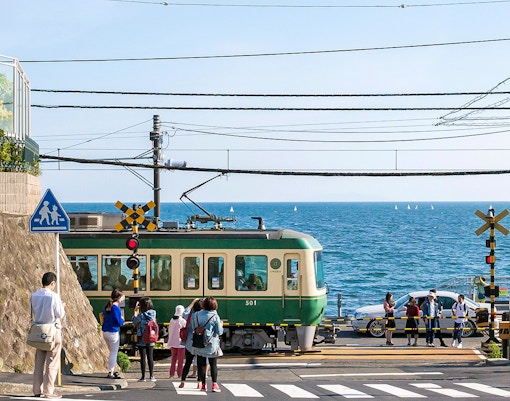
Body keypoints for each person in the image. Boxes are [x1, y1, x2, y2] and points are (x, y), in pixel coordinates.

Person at [30, 271, 66, 399]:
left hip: (39, 331)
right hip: (52, 330)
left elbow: (33, 313)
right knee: (52, 363)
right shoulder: (54, 296)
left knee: (39, 362)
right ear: (52, 283)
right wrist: (62, 306)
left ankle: (36, 390)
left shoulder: (34, 295)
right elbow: (60, 314)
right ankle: (48, 391)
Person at [190, 296, 223, 393]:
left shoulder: (195, 315)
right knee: (213, 364)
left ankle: (203, 385)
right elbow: (219, 332)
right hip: (211, 344)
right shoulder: (214, 316)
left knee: (201, 364)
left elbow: (193, 328)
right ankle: (214, 385)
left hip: (198, 343)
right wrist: (220, 324)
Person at [132, 297, 157, 382]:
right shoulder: (153, 313)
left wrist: (135, 311)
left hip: (141, 336)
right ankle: (152, 376)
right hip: (150, 336)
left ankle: (143, 377)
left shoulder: (141, 315)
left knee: (143, 357)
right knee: (150, 357)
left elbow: (134, 321)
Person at [101, 289, 124, 379]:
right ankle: (110, 372)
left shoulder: (108, 307)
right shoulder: (116, 308)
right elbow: (119, 322)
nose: (122, 299)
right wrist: (122, 319)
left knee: (111, 352)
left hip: (105, 331)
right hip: (113, 332)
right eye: (122, 297)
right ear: (118, 298)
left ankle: (111, 370)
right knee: (113, 353)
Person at [179, 298, 202, 388]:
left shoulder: (189, 316)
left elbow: (184, 312)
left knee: (188, 362)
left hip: (189, 342)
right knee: (200, 363)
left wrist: (193, 302)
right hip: (200, 342)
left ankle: (182, 381)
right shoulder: (203, 316)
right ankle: (199, 383)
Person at [167, 304, 186, 379]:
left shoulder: (172, 320)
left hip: (172, 342)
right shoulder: (182, 321)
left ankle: (171, 374)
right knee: (180, 360)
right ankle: (180, 374)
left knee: (173, 359)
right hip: (180, 343)